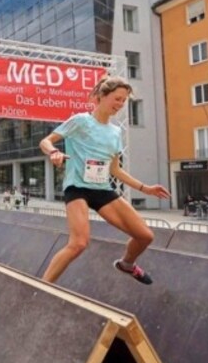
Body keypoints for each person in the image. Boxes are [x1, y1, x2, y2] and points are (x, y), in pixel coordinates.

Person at [39, 75, 170, 285]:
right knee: (79, 243)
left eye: (123, 101)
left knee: (145, 236)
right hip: (77, 188)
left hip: (101, 189)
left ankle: (126, 264)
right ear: (102, 96)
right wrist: (53, 152)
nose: (120, 104)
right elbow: (45, 141)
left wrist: (145, 189)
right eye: (117, 99)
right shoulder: (81, 121)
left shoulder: (115, 132)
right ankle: (41, 287)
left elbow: (115, 169)